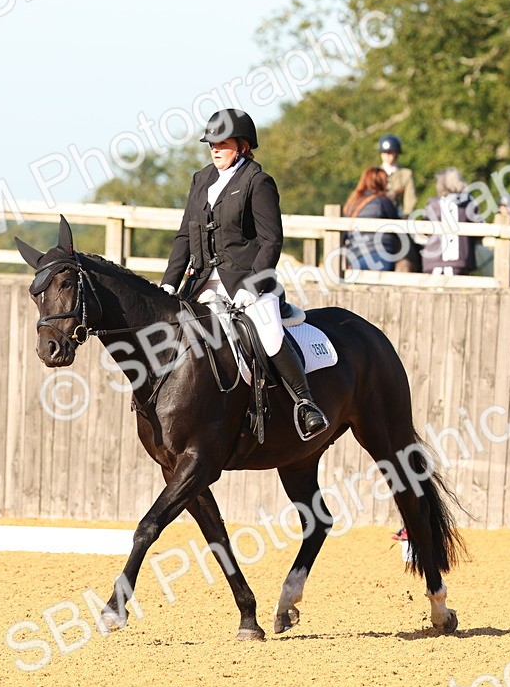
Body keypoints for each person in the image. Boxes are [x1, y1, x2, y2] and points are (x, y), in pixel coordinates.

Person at [161, 108, 328, 440]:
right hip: (200, 282)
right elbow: (184, 237)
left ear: (242, 145)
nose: (215, 149)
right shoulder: (201, 180)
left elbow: (271, 241)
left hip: (247, 283)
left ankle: (305, 403)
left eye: (222, 144)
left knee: (267, 331)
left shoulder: (257, 181)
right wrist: (168, 283)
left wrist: (252, 286)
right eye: (212, 144)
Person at [422, 167, 483, 275]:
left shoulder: (432, 203)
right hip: (460, 260)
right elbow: (481, 228)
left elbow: (423, 230)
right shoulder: (469, 202)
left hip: (433, 261)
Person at [342, 167, 401, 271]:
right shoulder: (383, 201)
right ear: (380, 182)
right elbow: (398, 225)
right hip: (380, 255)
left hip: (355, 257)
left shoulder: (352, 203)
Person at [378, 135, 416, 215]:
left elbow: (410, 198)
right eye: (384, 152)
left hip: (397, 214)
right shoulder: (374, 174)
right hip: (378, 213)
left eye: (390, 152)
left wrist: (406, 215)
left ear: (397, 153)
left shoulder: (406, 174)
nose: (387, 155)